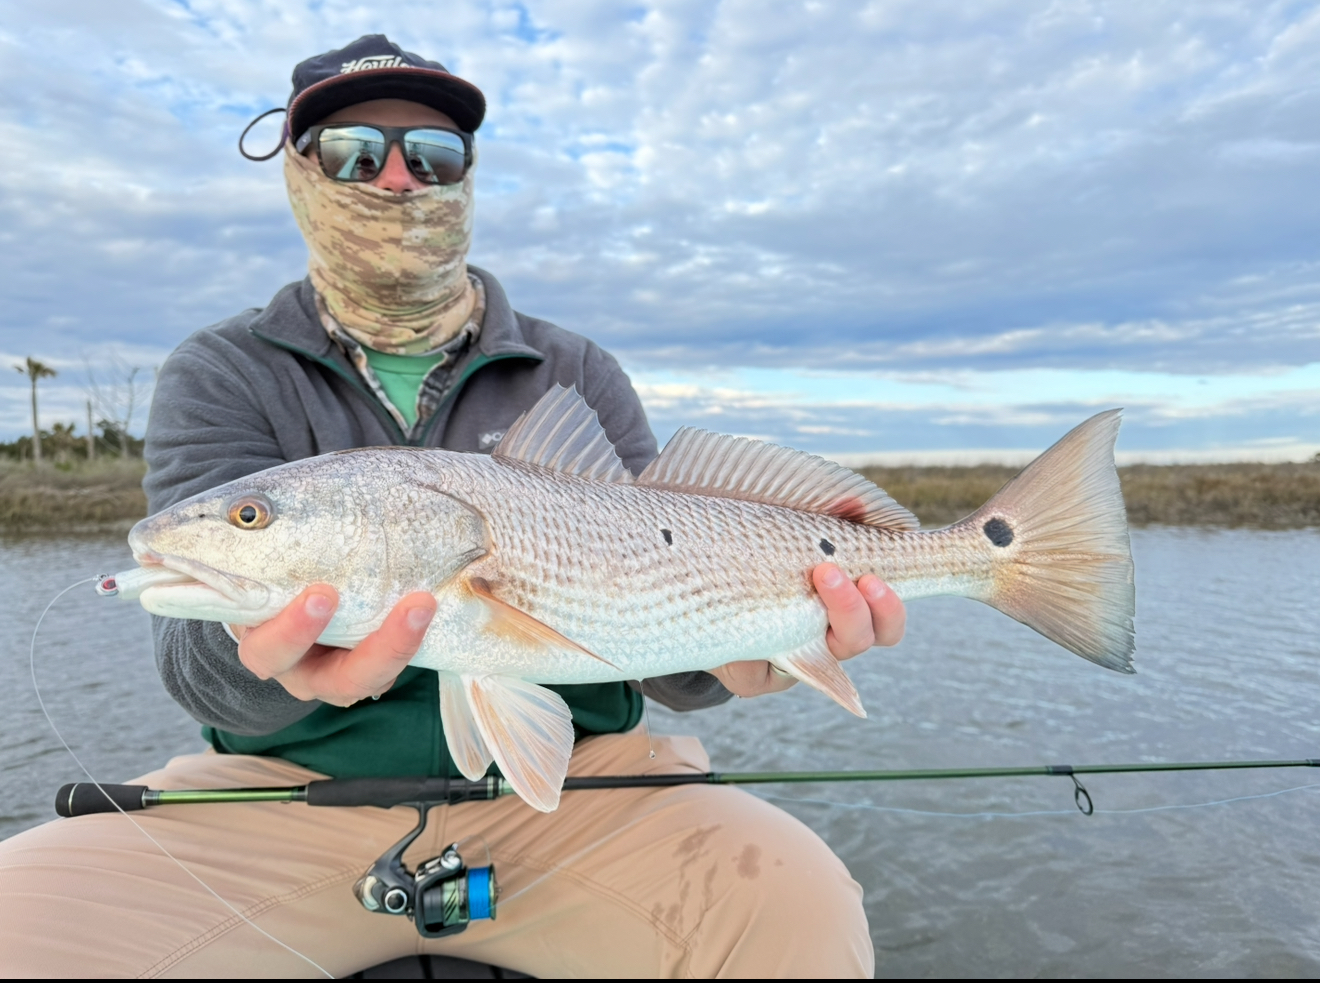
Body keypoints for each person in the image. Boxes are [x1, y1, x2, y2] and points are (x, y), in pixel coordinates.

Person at [0, 36, 904, 977]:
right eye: (354, 151)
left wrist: (747, 649)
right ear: (299, 172)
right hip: (283, 795)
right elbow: (195, 669)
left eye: (432, 154)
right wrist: (271, 662)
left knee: (798, 903)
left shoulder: (575, 367)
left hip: (589, 792)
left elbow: (676, 655)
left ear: (467, 176)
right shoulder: (223, 369)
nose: (397, 178)